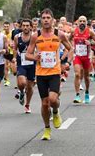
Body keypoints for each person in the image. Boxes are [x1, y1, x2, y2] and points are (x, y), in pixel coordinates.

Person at [25, 8, 72, 141]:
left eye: (48, 18)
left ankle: (56, 112)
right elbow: (28, 54)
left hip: (55, 72)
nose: (45, 20)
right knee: (45, 103)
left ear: (52, 20)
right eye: (43, 18)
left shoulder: (60, 34)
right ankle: (46, 128)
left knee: (52, 100)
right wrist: (35, 57)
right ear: (41, 20)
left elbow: (70, 49)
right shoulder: (36, 36)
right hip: (40, 74)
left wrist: (65, 61)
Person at [68, 16, 95, 104]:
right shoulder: (73, 31)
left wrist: (91, 43)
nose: (82, 22)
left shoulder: (90, 31)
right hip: (77, 56)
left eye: (84, 21)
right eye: (80, 21)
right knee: (77, 74)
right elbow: (67, 40)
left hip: (86, 57)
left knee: (86, 77)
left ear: (86, 22)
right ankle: (77, 95)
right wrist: (71, 47)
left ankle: (86, 92)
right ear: (78, 22)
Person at [13, 19, 35, 113]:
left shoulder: (35, 37)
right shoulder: (17, 37)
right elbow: (15, 48)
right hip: (21, 62)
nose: (25, 27)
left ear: (31, 27)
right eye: (24, 25)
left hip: (32, 63)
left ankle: (27, 105)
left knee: (30, 86)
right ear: (21, 27)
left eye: (27, 25)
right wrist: (14, 59)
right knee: (22, 83)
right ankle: (21, 92)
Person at [2, 21, 16, 87]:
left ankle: (17, 82)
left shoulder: (12, 33)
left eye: (7, 26)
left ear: (9, 27)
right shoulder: (2, 34)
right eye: (5, 26)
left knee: (14, 70)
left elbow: (14, 42)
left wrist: (12, 44)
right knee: (6, 66)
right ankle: (7, 80)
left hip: (12, 52)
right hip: (5, 52)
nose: (6, 28)